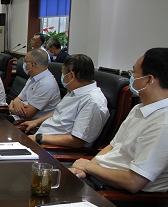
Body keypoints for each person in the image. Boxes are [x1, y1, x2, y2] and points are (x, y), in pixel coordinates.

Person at [71, 48, 168, 193]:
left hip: (115, 192)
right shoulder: (139, 108)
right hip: (97, 177)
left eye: (134, 72)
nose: (131, 76)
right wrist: (85, 168)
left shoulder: (163, 123)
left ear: (149, 80)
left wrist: (88, 167)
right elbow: (113, 146)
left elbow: (133, 182)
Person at [23, 54, 109, 148]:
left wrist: (39, 138)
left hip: (54, 149)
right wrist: (36, 122)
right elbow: (59, 113)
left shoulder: (92, 102)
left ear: (71, 75)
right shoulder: (74, 91)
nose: (62, 77)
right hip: (41, 139)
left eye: (63, 73)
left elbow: (77, 141)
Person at [9, 49, 61, 121]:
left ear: (32, 65)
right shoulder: (33, 77)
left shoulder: (46, 84)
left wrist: (12, 109)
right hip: (17, 116)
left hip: (26, 123)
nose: (23, 64)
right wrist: (17, 104)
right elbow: (18, 99)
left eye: (25, 62)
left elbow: (28, 113)